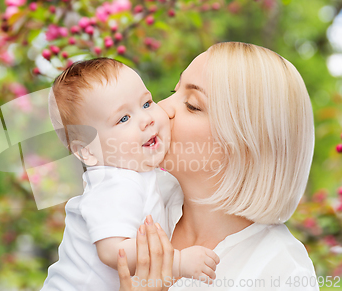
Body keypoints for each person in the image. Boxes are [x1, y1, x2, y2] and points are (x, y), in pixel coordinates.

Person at [117, 42, 319, 291]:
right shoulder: (134, 198)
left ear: (248, 147)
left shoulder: (282, 272)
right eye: (174, 90)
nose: (162, 108)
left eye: (192, 105)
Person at [42, 58, 219, 291]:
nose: (147, 120)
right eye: (123, 118)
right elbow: (113, 251)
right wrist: (178, 262)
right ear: (87, 151)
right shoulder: (115, 183)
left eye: (146, 103)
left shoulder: (138, 173)